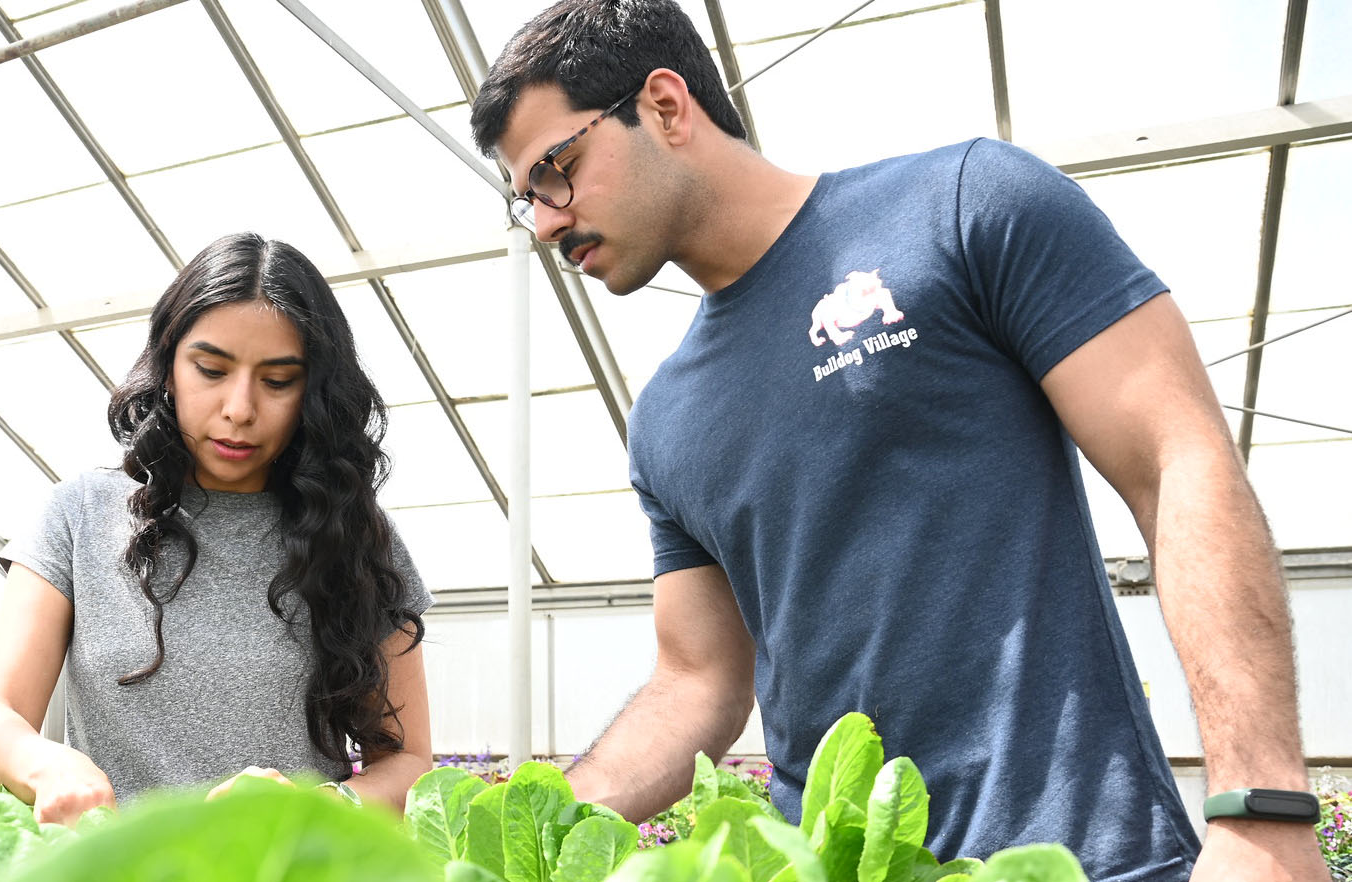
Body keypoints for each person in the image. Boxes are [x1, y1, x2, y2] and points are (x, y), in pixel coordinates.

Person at [467, 2, 1324, 880]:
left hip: (1075, 858)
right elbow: (698, 681)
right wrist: (533, 825)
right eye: (525, 196)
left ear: (665, 105)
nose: (544, 222)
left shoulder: (962, 206)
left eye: (556, 170)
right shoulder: (665, 420)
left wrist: (1264, 809)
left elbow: (1176, 461)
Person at [0, 233, 435, 823]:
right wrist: (47, 765)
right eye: (211, 369)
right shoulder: (80, 513)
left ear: (313, 392)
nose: (239, 408)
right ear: (167, 367)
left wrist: (318, 808)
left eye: (278, 380)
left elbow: (411, 761)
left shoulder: (357, 535)